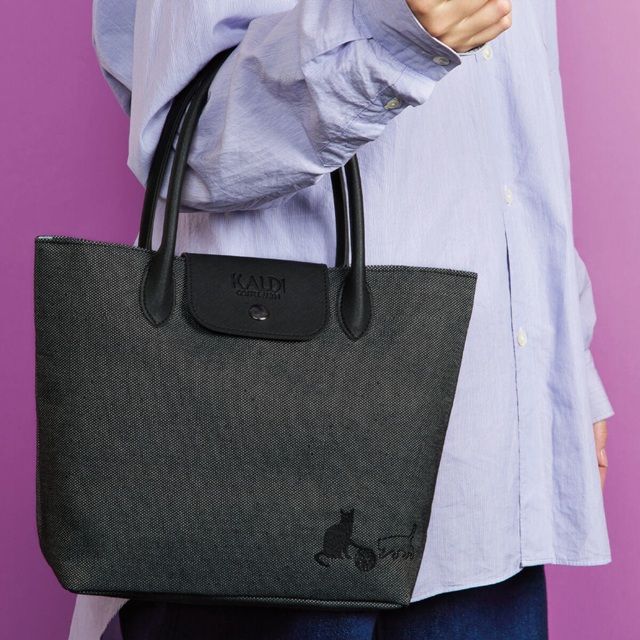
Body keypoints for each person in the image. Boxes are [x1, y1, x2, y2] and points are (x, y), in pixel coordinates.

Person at [72, 0, 614, 638]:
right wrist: (390, 38)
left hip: (489, 463)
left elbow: (517, 138)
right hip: (279, 461)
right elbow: (186, 147)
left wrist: (565, 362)